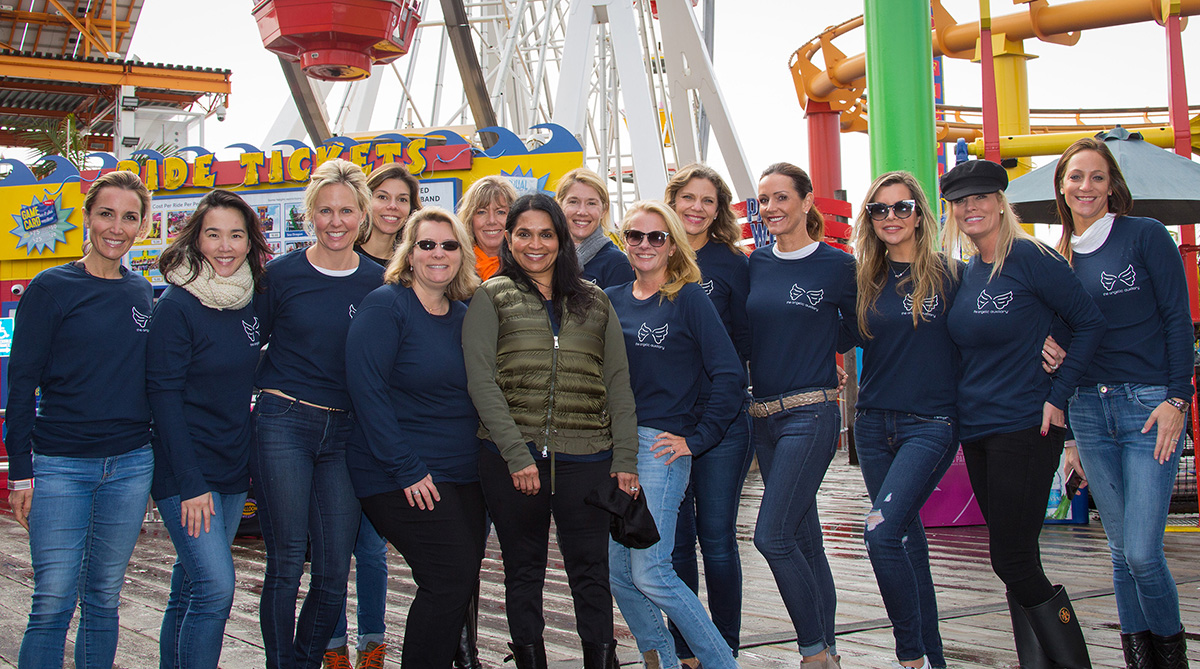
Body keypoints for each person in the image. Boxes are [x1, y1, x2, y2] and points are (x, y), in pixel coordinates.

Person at [462, 193, 639, 669]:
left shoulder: (596, 301)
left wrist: (625, 459)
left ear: (562, 240)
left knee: (590, 571)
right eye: (523, 233)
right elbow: (480, 380)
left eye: (546, 234)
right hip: (511, 460)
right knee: (523, 570)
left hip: (589, 456)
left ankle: (602, 662)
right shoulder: (490, 295)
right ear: (508, 238)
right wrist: (517, 454)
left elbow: (617, 382)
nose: (534, 244)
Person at [941, 159, 1106, 669]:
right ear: (952, 210)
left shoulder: (1031, 257)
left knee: (1009, 557)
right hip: (979, 429)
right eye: (962, 200)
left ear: (999, 203)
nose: (973, 207)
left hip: (1027, 425)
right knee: (1018, 558)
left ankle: (1073, 663)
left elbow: (1090, 322)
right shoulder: (964, 273)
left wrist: (1059, 395)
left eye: (982, 197)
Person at [6, 170, 155, 668]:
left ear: (142, 226)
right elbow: (21, 386)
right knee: (51, 603)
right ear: (88, 218)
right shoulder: (51, 288)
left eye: (129, 217)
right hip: (60, 467)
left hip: (131, 466)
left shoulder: (142, 293)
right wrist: (21, 472)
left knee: (104, 600)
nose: (117, 227)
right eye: (107, 214)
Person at [1052, 138, 1192, 669]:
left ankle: (1171, 656)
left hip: (1149, 406)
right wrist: (1068, 436)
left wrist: (1179, 397)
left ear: (1112, 185)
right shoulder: (1056, 256)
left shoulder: (1146, 236)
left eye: (1095, 177)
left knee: (1141, 552)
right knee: (1118, 553)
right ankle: (1139, 657)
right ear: (1061, 187)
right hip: (1088, 409)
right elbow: (1062, 345)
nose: (1084, 187)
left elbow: (1178, 320)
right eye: (1074, 178)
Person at [252, 158, 385, 669]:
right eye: (325, 210)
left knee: (333, 573)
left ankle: (305, 661)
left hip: (345, 435)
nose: (336, 221)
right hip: (284, 422)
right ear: (310, 214)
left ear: (363, 216)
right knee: (287, 564)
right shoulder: (280, 276)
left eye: (346, 211)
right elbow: (245, 346)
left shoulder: (379, 282)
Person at [345, 207, 486, 669]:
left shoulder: (465, 315)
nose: (438, 253)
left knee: (457, 580)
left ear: (462, 255)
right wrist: (407, 468)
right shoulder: (386, 306)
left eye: (449, 245)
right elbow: (367, 393)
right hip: (399, 472)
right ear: (409, 255)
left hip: (463, 473)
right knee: (448, 577)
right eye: (427, 244)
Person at [605, 201, 744, 669]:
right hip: (616, 447)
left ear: (671, 246)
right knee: (621, 573)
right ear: (624, 241)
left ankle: (722, 662)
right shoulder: (612, 297)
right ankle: (662, 660)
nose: (644, 245)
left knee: (653, 570)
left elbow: (728, 373)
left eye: (656, 237)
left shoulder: (688, 297)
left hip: (661, 449)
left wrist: (696, 438)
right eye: (635, 236)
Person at [148, 189, 271, 669]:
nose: (225, 246)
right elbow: (163, 399)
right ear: (196, 240)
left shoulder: (249, 301)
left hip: (230, 468)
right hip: (186, 473)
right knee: (217, 590)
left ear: (249, 241)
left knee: (189, 586)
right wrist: (190, 484)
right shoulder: (177, 306)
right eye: (213, 234)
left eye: (236, 235)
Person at [845, 172, 960, 669]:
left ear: (920, 213)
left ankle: (909, 656)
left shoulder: (952, 275)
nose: (891, 217)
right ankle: (932, 661)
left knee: (881, 533)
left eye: (902, 207)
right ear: (869, 219)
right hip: (873, 426)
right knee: (908, 544)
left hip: (930, 423)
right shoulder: (861, 281)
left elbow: (998, 323)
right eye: (880, 209)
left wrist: (1045, 341)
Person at [745, 162, 854, 668]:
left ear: (807, 201)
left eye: (781, 197)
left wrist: (822, 356)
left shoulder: (838, 266)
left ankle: (814, 653)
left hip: (810, 415)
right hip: (762, 417)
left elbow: (855, 329)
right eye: (764, 200)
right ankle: (828, 646)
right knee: (806, 541)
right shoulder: (756, 263)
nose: (771, 209)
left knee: (771, 534)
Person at [326, 161, 423, 669]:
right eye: (382, 196)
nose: (391, 207)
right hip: (336, 417)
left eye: (401, 199)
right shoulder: (343, 259)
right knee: (335, 541)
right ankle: (333, 641)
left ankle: (373, 642)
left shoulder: (411, 271)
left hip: (387, 422)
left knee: (372, 544)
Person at [662, 164, 753, 664]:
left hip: (722, 424)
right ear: (673, 201)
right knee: (676, 544)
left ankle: (725, 646)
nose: (697, 208)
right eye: (689, 198)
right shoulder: (653, 255)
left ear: (719, 212)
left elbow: (745, 340)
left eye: (708, 201)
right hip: (667, 423)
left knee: (717, 538)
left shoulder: (731, 265)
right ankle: (686, 647)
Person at [556, 168, 635, 288]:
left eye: (591, 203)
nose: (582, 211)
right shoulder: (548, 255)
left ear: (604, 210)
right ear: (560, 206)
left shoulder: (616, 263)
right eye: (573, 202)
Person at [459, 175, 518, 281]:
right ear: (470, 218)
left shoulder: (526, 266)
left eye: (500, 212)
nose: (491, 221)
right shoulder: (456, 266)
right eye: (481, 212)